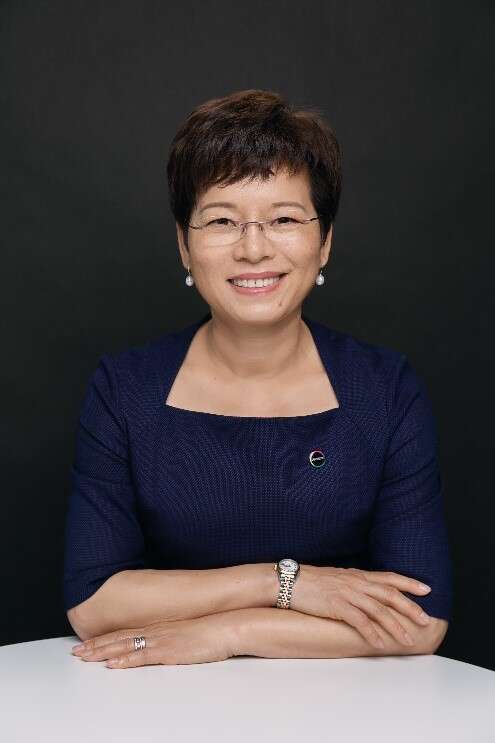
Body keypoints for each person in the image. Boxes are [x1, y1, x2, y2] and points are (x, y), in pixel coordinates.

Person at [64, 89, 453, 669]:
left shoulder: (385, 390)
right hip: (161, 698)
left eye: (284, 219)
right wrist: (283, 582)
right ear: (184, 244)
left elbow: (420, 620)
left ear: (324, 242)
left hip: (349, 702)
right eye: (222, 220)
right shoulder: (125, 390)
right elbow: (94, 602)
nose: (253, 249)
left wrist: (228, 632)